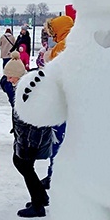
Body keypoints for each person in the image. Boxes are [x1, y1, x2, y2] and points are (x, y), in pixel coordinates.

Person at [0, 52, 52, 217]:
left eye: (10, 77)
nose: (8, 80)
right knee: (24, 165)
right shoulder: (23, 86)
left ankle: (38, 205)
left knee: (24, 165)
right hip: (28, 138)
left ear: (17, 76)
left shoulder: (27, 92)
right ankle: (41, 197)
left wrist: (28, 144)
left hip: (31, 140)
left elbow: (32, 122)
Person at [41, 15, 74, 188]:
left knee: (59, 142)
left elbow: (53, 71)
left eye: (52, 32)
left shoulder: (63, 46)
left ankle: (55, 176)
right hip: (75, 103)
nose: (51, 36)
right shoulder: (78, 41)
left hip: (64, 103)